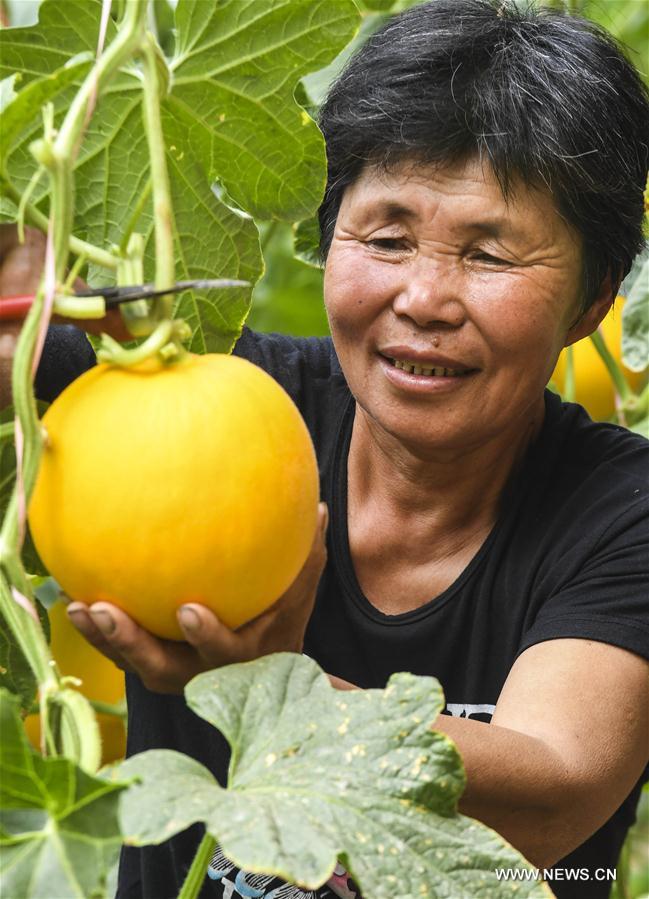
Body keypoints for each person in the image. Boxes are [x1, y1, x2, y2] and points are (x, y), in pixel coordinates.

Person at [3, 1, 648, 897]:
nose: (423, 297)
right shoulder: (205, 397)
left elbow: (554, 790)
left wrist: (274, 688)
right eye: (386, 239)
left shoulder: (623, 511)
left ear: (591, 302)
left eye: (488, 255)